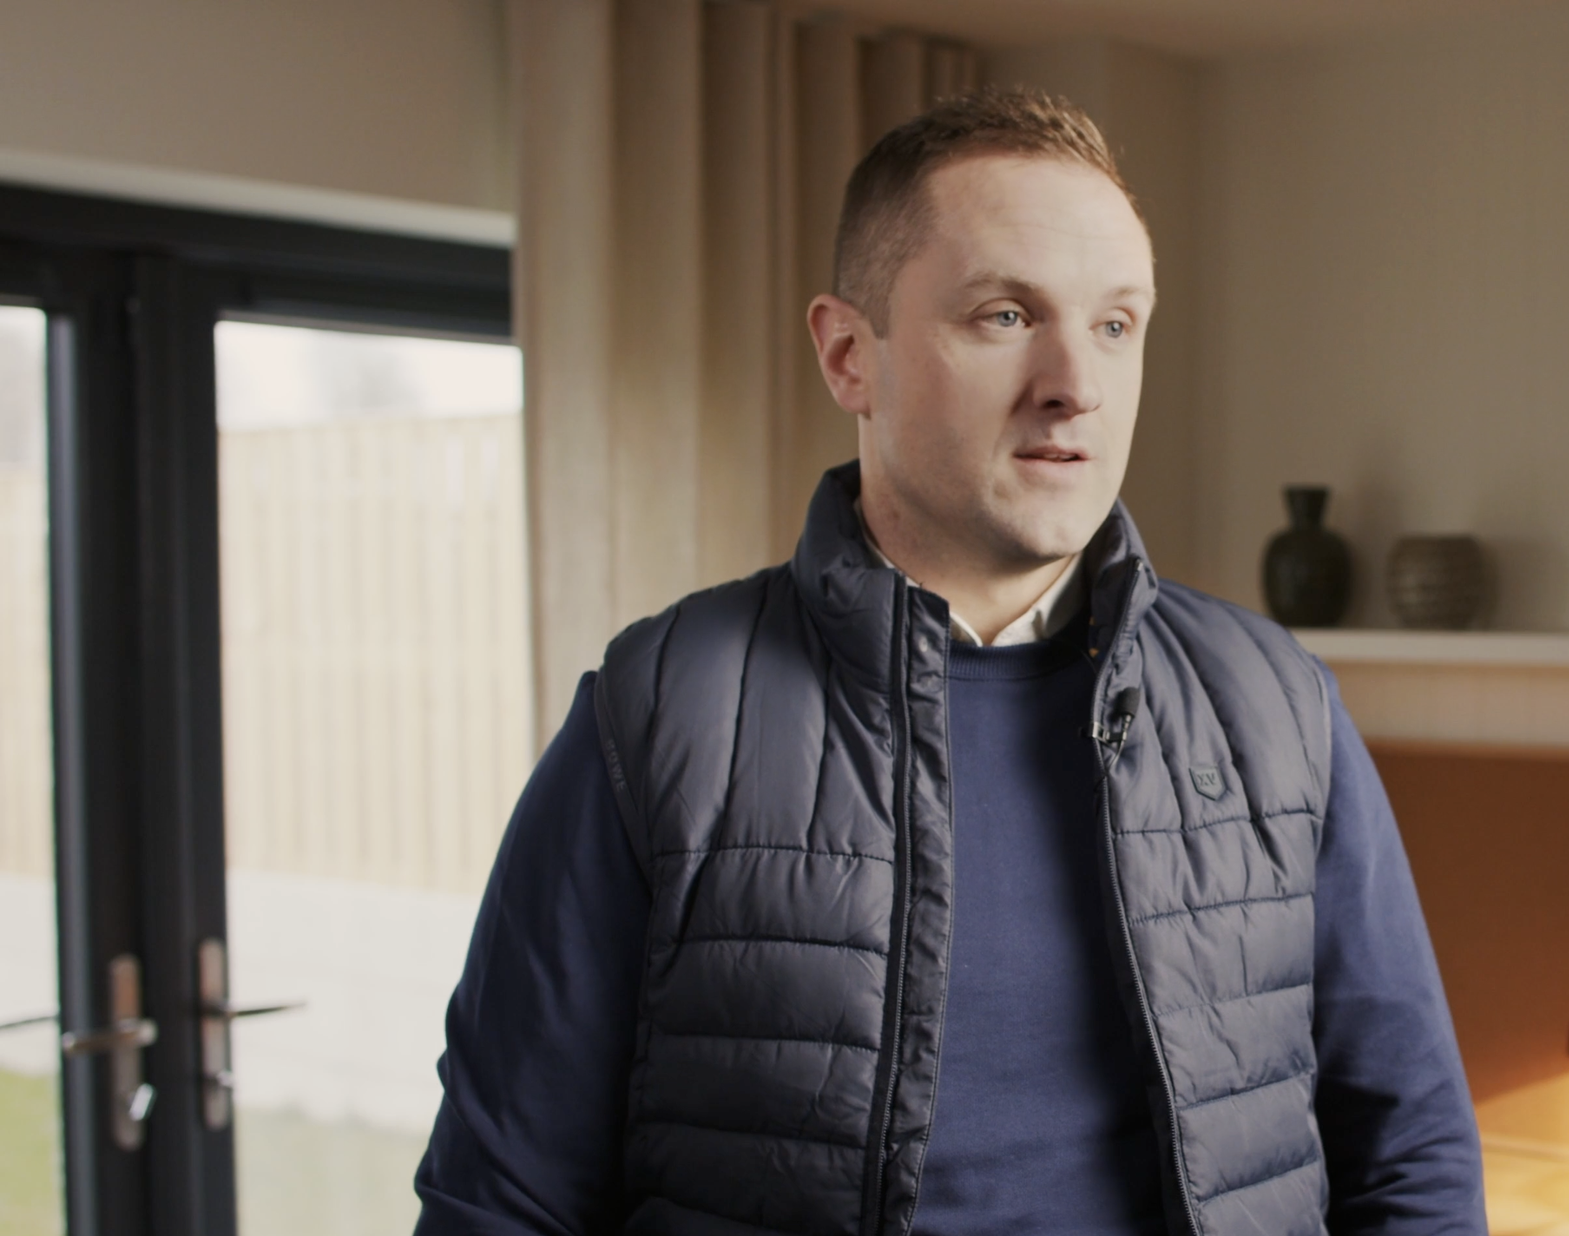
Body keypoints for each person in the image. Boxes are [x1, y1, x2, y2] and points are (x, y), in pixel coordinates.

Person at [413, 87, 1485, 1236]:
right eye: (1005, 315)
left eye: (1115, 323)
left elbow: (1411, 1156)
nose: (1075, 382)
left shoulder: (1276, 706)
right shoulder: (659, 714)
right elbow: (500, 1201)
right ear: (847, 355)